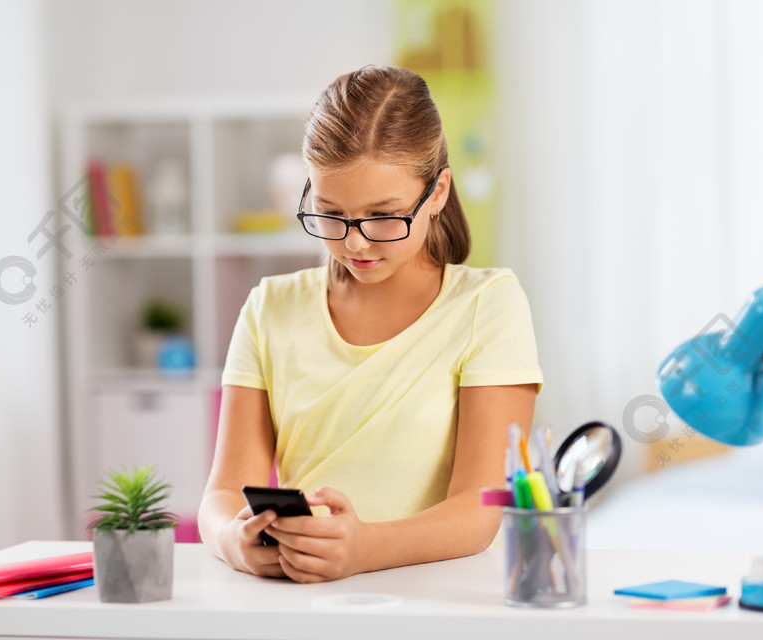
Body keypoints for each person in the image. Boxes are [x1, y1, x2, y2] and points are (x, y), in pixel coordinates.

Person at [198, 65, 542, 583]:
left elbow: (479, 508)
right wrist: (233, 541)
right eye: (330, 213)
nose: (356, 243)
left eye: (384, 216)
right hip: (302, 600)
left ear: (439, 192)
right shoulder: (269, 308)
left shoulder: (488, 306)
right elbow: (223, 494)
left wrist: (364, 548)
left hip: (438, 600)